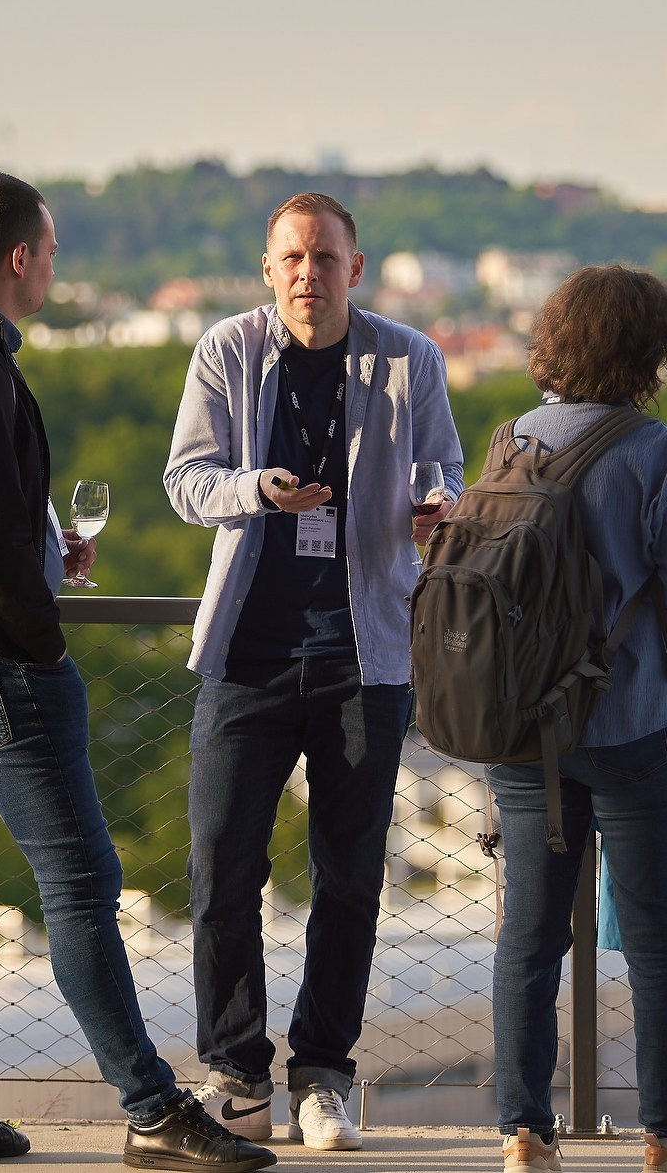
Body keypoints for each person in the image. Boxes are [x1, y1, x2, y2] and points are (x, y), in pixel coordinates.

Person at [0, 172, 273, 1171]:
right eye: (49, 249)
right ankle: (149, 1107)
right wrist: (41, 639)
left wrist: (47, 554)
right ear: (19, 256)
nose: (55, 264)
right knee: (84, 880)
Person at [163, 192, 463, 1152]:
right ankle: (237, 1074)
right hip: (247, 654)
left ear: (355, 269)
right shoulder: (226, 351)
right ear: (268, 269)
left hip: (365, 654)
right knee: (221, 871)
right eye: (292, 258)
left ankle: (323, 1077)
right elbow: (186, 481)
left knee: (348, 879)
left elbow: (444, 471)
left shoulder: (408, 358)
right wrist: (257, 489)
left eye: (325, 259)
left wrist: (437, 510)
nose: (308, 274)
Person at [484, 265, 667, 1173]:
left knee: (530, 936)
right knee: (658, 930)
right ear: (646, 351)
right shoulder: (660, 450)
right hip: (637, 720)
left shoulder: (510, 441)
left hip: (523, 731)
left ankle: (523, 1131)